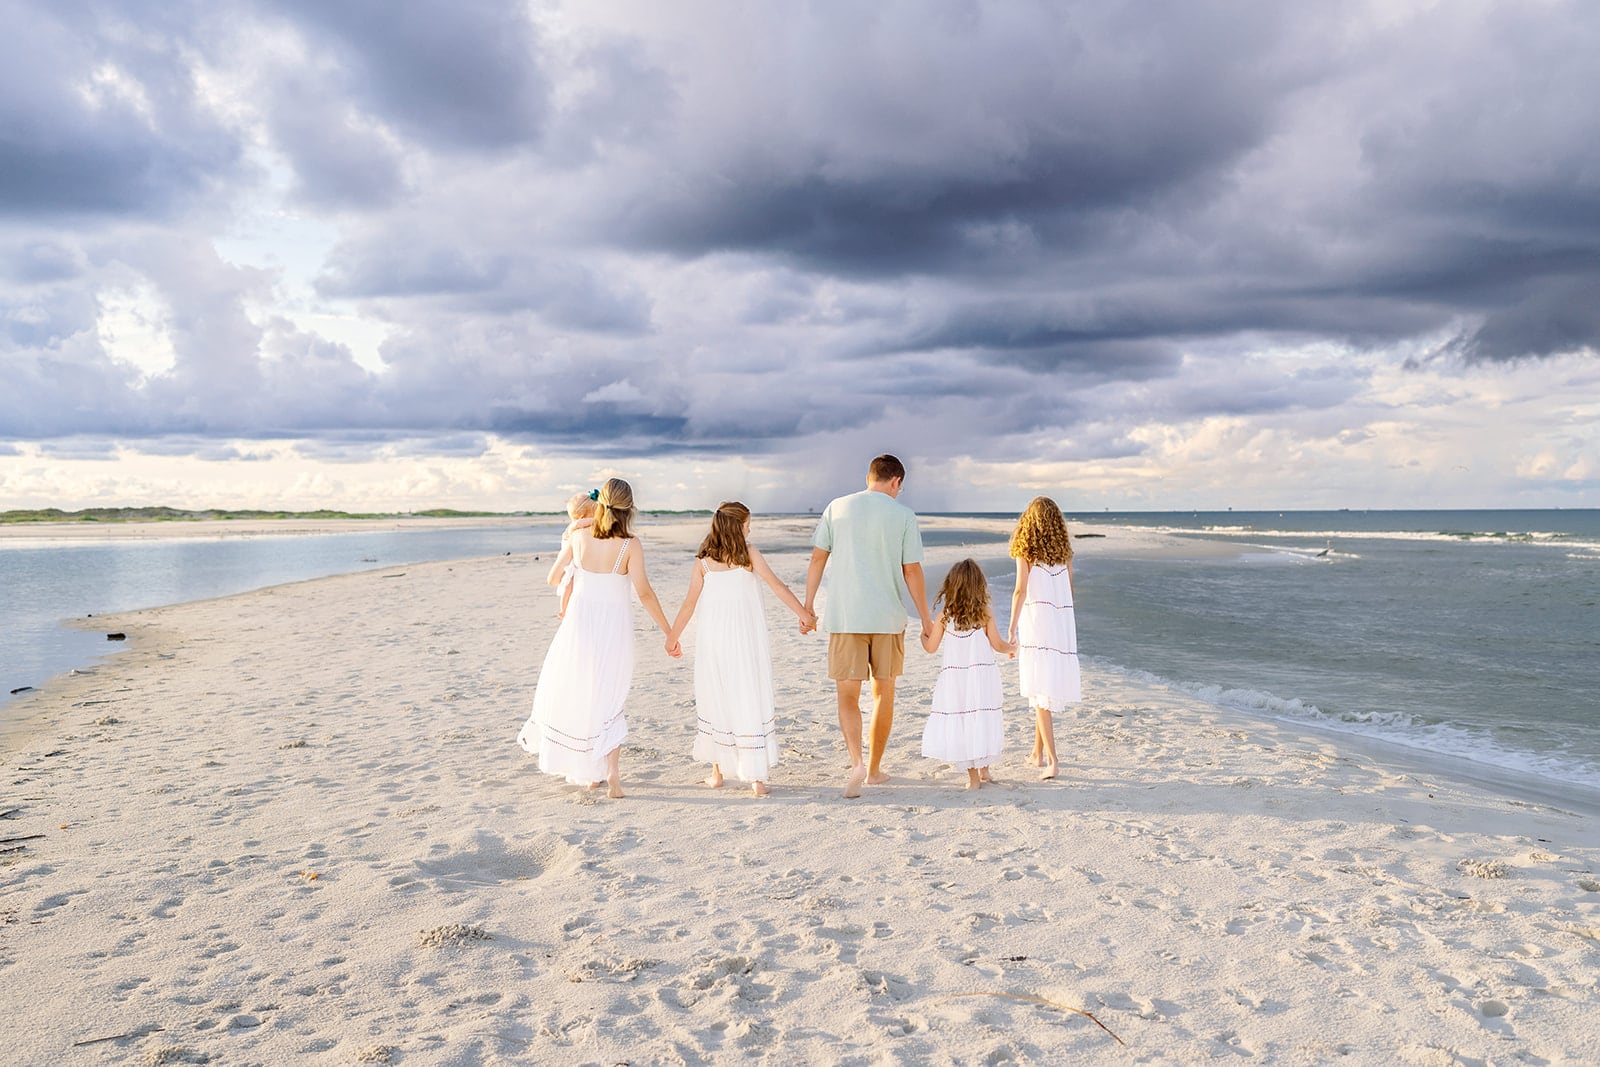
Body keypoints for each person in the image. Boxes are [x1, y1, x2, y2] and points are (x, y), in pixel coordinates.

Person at [516, 478, 679, 798]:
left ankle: (592, 775)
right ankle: (612, 773)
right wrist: (669, 632)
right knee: (609, 696)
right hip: (613, 629)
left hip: (578, 627)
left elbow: (557, 576)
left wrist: (585, 520)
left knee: (582, 693)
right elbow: (644, 593)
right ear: (630, 509)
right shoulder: (630, 545)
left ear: (600, 505)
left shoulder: (578, 536)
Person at [664, 502, 816, 797]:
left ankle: (717, 773)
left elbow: (688, 605)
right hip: (745, 641)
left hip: (714, 642)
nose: (750, 528)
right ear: (737, 526)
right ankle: (756, 778)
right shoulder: (749, 555)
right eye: (748, 523)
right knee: (746, 695)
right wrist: (805, 615)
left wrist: (672, 637)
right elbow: (778, 587)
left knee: (717, 696)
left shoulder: (704, 561)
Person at [804, 453, 933, 798]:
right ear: (896, 482)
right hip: (888, 619)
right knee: (882, 694)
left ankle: (856, 762)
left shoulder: (836, 507)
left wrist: (808, 607)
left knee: (848, 696)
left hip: (845, 617)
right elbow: (912, 571)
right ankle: (874, 771)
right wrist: (925, 618)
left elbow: (818, 558)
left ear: (868, 477)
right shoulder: (903, 515)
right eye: (899, 487)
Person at [920, 559, 1016, 790]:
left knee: (963, 719)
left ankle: (976, 775)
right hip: (982, 678)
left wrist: (923, 638)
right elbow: (998, 645)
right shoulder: (984, 613)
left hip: (956, 681)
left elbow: (931, 648)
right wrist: (1014, 648)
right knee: (981, 717)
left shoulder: (945, 616)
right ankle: (983, 771)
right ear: (979, 585)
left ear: (952, 585)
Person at [1006, 496, 1081, 781]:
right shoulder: (1064, 554)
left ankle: (1053, 760)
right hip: (1060, 625)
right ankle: (1036, 754)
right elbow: (1070, 591)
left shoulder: (1025, 550)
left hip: (1037, 624)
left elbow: (1019, 591)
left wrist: (1012, 629)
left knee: (1040, 692)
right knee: (1043, 691)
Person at [557, 491, 597, 617]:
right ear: (582, 516)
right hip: (569, 560)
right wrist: (598, 520)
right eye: (593, 513)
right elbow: (581, 524)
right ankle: (563, 609)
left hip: (576, 557)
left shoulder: (581, 527)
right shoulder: (574, 526)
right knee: (569, 584)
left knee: (575, 586)